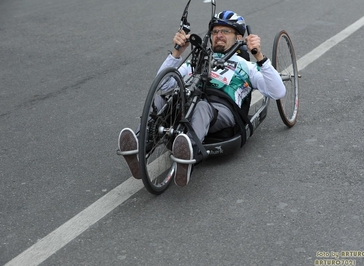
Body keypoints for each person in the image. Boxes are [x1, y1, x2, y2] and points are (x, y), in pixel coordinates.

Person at [118, 10, 286, 187]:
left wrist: (259, 56)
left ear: (238, 37)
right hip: (189, 103)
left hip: (221, 110)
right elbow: (162, 86)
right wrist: (176, 54)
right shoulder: (198, 61)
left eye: (225, 31)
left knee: (202, 107)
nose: (219, 35)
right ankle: (138, 147)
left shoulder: (248, 66)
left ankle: (190, 154)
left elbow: (278, 92)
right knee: (159, 101)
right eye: (215, 32)